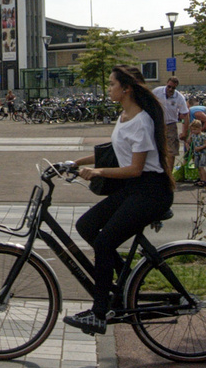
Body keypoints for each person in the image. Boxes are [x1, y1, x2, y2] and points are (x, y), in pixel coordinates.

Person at [61, 65, 174, 336]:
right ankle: (126, 281)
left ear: (126, 88)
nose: (108, 88)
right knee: (87, 226)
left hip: (151, 191)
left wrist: (97, 171)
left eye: (112, 84)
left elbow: (135, 168)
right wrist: (75, 162)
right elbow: (115, 151)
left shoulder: (142, 121)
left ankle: (99, 312)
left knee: (104, 241)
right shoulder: (124, 116)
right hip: (133, 189)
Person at [153, 76, 190, 171]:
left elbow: (185, 114)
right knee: (156, 148)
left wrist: (185, 132)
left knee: (171, 151)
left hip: (171, 125)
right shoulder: (157, 92)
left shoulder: (179, 97)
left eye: (173, 88)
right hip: (157, 124)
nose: (170, 89)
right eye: (169, 86)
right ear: (166, 84)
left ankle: (169, 174)